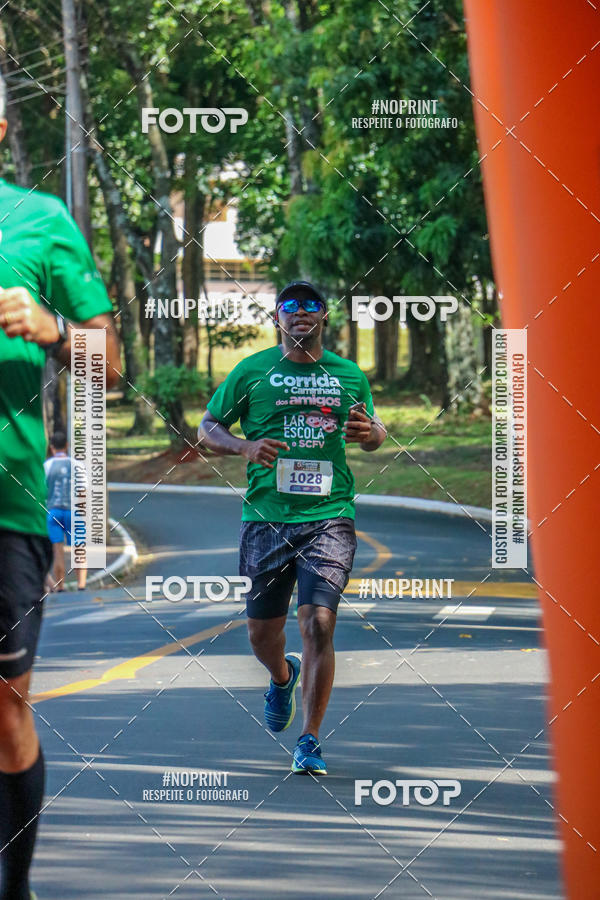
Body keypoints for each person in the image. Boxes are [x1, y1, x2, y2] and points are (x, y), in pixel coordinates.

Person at [0, 78, 121, 898]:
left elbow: (108, 367)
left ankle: (15, 887)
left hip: (4, 512)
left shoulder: (40, 220)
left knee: (3, 709)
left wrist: (52, 330)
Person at [199, 280, 386, 775]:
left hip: (329, 515)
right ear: (277, 317)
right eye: (290, 306)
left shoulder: (347, 374)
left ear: (324, 317)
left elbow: (375, 430)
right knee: (263, 633)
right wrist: (243, 446)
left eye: (311, 305)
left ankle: (309, 739)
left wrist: (371, 433)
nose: (300, 312)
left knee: (318, 622)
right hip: (266, 517)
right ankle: (282, 677)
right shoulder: (252, 371)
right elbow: (208, 426)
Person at [44, 432, 87, 592]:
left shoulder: (46, 466)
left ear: (52, 447)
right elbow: (83, 491)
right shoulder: (77, 465)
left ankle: (60, 586)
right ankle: (81, 585)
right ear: (67, 445)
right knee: (79, 547)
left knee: (58, 550)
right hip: (73, 511)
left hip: (53, 511)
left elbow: (43, 490)